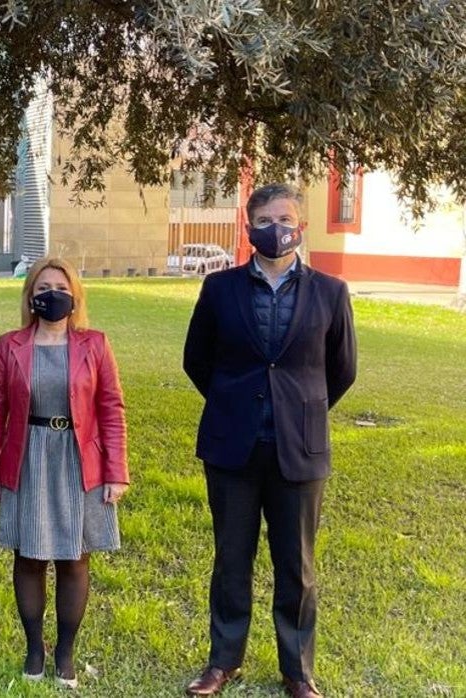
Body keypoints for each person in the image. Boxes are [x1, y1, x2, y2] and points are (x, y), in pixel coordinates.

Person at [182, 184, 357, 698]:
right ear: (248, 225)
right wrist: (234, 402)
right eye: (264, 218)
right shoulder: (220, 289)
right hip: (232, 447)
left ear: (300, 225)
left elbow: (341, 371)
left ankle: (298, 671)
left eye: (284, 217)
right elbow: (197, 360)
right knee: (231, 558)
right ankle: (223, 661)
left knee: (296, 565)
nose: (275, 226)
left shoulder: (330, 291)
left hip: (299, 451)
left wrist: (301, 410)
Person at [0, 257, 129, 689]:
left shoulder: (95, 345)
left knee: (75, 558)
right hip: (28, 456)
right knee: (28, 557)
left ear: (75, 296)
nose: (51, 295)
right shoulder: (10, 345)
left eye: (60, 287)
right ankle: (34, 649)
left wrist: (116, 471)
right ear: (30, 296)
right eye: (42, 288)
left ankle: (65, 651)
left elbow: (112, 410)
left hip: (81, 460)